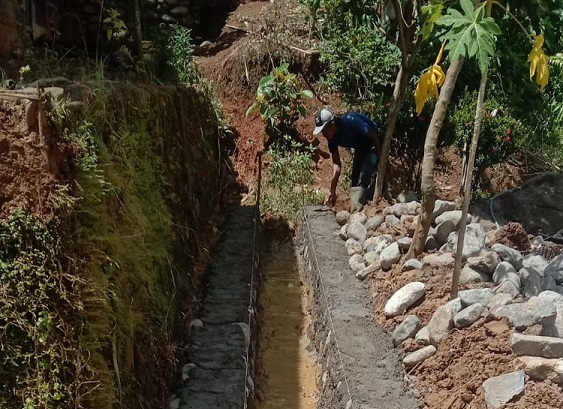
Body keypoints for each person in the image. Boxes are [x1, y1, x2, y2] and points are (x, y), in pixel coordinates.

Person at [313, 108, 382, 212]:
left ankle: (360, 211)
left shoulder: (351, 121)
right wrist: (332, 190)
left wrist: (380, 158)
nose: (323, 135)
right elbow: (336, 164)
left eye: (325, 131)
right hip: (361, 149)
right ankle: (358, 209)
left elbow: (373, 134)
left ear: (332, 124)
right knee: (355, 182)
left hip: (374, 145)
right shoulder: (331, 138)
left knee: (363, 176)